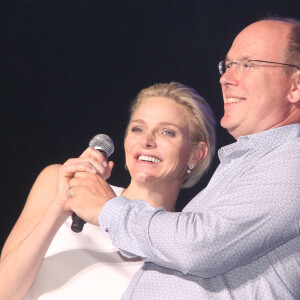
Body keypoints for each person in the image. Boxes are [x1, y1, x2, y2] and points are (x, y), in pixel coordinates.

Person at [60, 17, 300, 299]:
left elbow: (200, 246)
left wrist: (108, 209)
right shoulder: (258, 162)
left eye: (248, 64)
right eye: (228, 65)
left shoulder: (292, 161)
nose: (226, 78)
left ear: (295, 86)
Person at [0, 82, 216, 300]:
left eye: (167, 132)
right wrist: (59, 207)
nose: (146, 141)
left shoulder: (181, 244)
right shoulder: (59, 181)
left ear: (195, 155)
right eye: (138, 129)